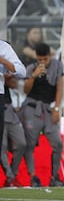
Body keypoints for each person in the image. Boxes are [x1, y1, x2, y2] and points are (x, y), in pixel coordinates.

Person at [20, 42, 64, 187]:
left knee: (57, 143)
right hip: (32, 107)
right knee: (30, 143)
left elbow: (60, 88)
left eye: (45, 59)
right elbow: (26, 90)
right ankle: (33, 176)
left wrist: (57, 108)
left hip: (48, 108)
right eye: (39, 59)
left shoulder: (57, 66)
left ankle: (55, 177)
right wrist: (33, 76)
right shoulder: (30, 68)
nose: (42, 62)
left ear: (50, 56)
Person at [0, 40, 26, 185]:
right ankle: (10, 176)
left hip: (5, 104)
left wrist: (4, 62)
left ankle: (12, 176)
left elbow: (20, 72)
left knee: (19, 143)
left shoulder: (3, 47)